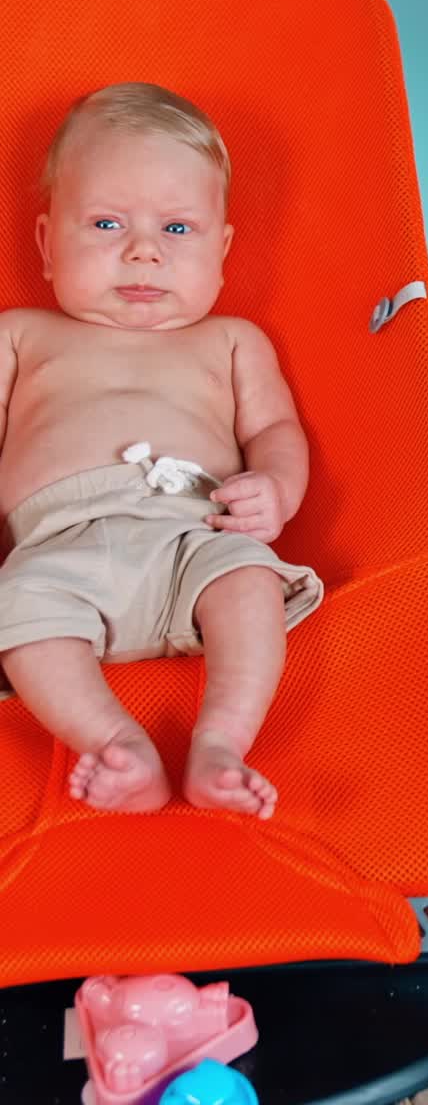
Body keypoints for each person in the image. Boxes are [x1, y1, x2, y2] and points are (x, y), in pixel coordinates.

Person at [0, 82, 323, 820]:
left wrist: (275, 486)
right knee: (15, 610)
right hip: (58, 548)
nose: (143, 251)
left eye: (177, 230)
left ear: (222, 248)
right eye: (107, 223)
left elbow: (276, 432)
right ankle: (115, 743)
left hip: (195, 535)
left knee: (251, 587)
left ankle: (221, 742)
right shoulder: (20, 335)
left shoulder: (231, 341)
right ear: (49, 244)